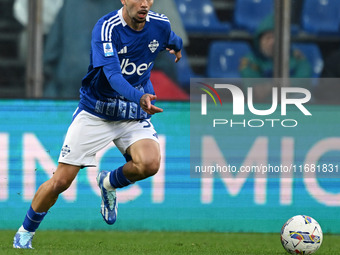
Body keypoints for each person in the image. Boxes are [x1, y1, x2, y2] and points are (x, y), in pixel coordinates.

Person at [13, 0, 182, 249]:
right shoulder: (106, 28)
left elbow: (171, 37)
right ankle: (24, 233)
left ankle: (108, 182)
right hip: (97, 112)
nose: (144, 4)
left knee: (150, 163)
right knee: (61, 181)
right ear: (124, 0)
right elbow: (112, 75)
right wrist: (140, 96)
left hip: (131, 113)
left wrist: (176, 49)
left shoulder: (159, 23)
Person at [239, 14, 312, 102]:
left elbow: (304, 83)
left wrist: (270, 87)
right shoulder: (250, 61)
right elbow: (255, 92)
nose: (272, 42)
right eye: (268, 38)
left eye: (275, 37)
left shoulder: (296, 57)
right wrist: (281, 85)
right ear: (259, 41)